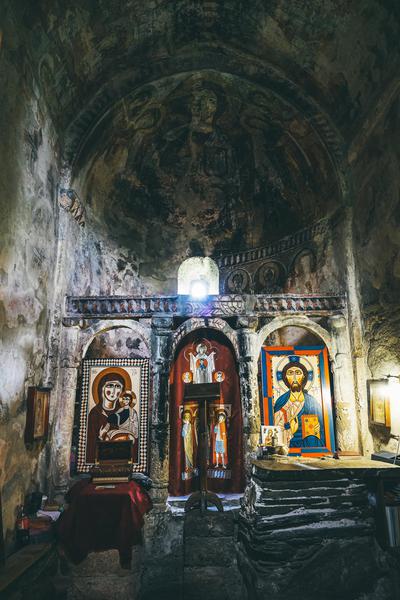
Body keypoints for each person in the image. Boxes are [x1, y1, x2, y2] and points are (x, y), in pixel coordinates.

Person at [273, 358, 324, 448]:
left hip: (309, 446)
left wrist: (317, 430)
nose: (295, 378)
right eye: (290, 373)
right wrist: (290, 430)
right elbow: (275, 432)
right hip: (287, 447)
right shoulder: (281, 402)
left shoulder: (312, 402)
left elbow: (323, 429)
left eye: (298, 373)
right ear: (285, 377)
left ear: (304, 376)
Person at [86, 370, 126, 462]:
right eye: (110, 386)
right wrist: (101, 438)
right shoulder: (95, 413)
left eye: (118, 387)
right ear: (102, 388)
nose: (114, 391)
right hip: (100, 458)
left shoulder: (123, 412)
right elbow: (90, 445)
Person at [182, 409, 194, 475]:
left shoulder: (190, 426)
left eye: (188, 418)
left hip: (189, 441)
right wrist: (184, 431)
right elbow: (183, 434)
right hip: (185, 441)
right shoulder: (184, 426)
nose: (187, 420)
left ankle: (191, 466)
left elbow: (191, 434)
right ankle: (187, 466)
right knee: (186, 454)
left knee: (190, 453)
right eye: (185, 418)